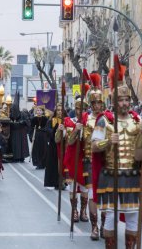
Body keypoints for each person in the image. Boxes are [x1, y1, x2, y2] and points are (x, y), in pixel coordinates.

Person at [91, 66, 142, 248]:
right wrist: (108, 141)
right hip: (111, 175)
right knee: (110, 215)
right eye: (121, 100)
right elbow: (94, 146)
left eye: (127, 100)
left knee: (133, 217)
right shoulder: (105, 121)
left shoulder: (138, 122)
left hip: (132, 176)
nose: (124, 103)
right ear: (114, 101)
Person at [62, 96, 90, 226]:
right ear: (75, 108)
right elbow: (70, 141)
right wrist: (76, 129)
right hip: (72, 158)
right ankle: (74, 211)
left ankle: (83, 210)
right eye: (78, 108)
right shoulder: (69, 121)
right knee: (72, 186)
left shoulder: (90, 122)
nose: (80, 111)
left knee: (85, 186)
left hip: (84, 158)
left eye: (83, 108)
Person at [44, 104, 65, 189]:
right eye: (58, 110)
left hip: (63, 146)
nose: (60, 112)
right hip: (54, 147)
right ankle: (56, 182)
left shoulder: (65, 120)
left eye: (61, 110)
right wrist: (56, 128)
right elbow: (48, 132)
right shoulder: (51, 121)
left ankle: (62, 181)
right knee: (55, 165)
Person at [9, 92, 30, 163]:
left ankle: (21, 157)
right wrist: (11, 122)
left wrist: (23, 122)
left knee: (21, 145)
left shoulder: (23, 114)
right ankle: (15, 157)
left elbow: (28, 122)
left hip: (21, 132)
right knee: (15, 145)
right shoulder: (11, 114)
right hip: (14, 132)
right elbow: (8, 121)